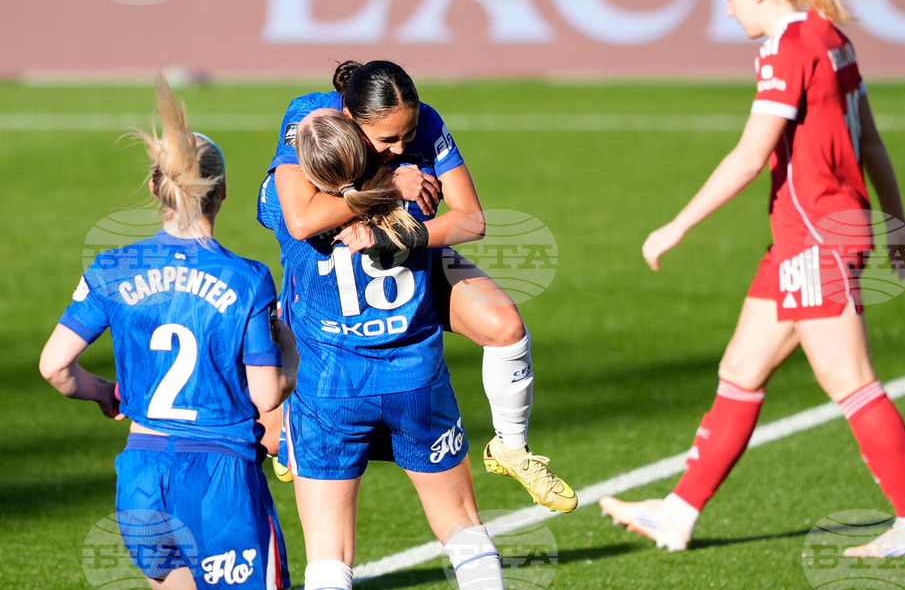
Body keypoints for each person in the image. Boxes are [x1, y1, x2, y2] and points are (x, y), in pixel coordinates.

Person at [599, 0, 905, 558]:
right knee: (741, 369)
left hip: (815, 236)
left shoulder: (786, 48)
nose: (730, 11)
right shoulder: (833, 37)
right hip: (808, 233)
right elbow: (871, 143)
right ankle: (677, 514)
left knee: (848, 378)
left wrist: (676, 225)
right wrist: (895, 222)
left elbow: (750, 156)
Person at [258, 60, 576, 513]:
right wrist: (389, 183)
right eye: (387, 139)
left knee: (506, 328)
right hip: (327, 275)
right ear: (349, 118)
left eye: (408, 135)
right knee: (301, 390)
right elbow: (302, 219)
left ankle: (510, 447)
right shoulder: (310, 118)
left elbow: (472, 218)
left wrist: (404, 236)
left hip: (409, 258)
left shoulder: (426, 122)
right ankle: (291, 426)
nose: (401, 146)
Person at [39, 77, 298, 590]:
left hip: (142, 476)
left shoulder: (113, 267)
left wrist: (106, 394)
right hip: (220, 478)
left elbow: (55, 367)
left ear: (156, 188)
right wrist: (289, 351)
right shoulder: (246, 279)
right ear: (222, 191)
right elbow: (266, 393)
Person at [261, 108, 505, 590]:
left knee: (329, 557)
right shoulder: (412, 205)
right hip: (415, 380)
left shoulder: (285, 212)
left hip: (329, 390)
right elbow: (465, 221)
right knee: (462, 526)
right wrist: (397, 181)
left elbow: (296, 206)